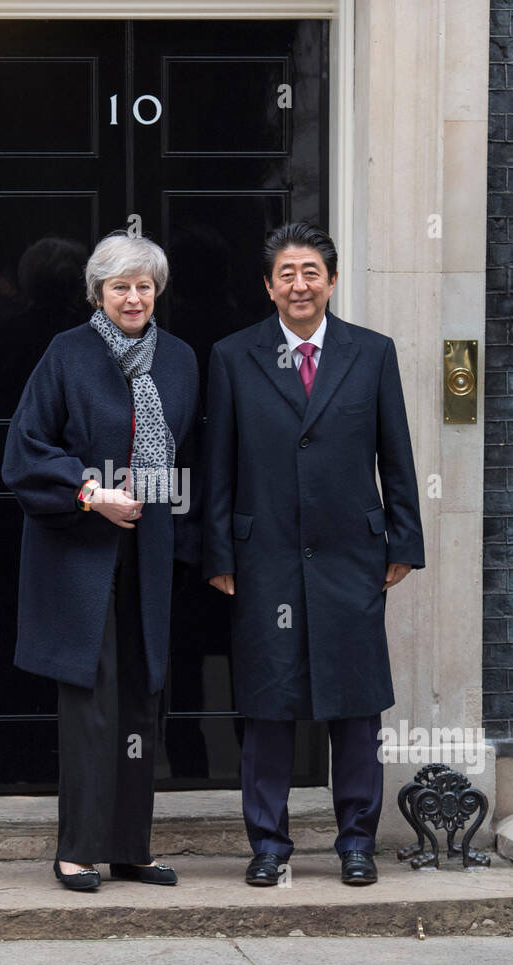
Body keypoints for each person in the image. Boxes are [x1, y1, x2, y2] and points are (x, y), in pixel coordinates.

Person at [202, 221, 425, 887]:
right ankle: (268, 843)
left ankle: (357, 840)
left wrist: (404, 538)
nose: (299, 284)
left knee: (355, 707)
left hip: (352, 557)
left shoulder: (372, 352)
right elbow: (217, 466)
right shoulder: (232, 356)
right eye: (286, 273)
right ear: (269, 286)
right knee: (267, 707)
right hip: (262, 555)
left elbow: (397, 453)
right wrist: (218, 552)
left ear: (331, 281)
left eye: (311, 272)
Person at [1, 232, 200, 891]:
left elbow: (184, 457)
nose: (134, 297)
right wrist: (92, 494)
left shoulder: (179, 360)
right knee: (90, 703)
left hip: (150, 550)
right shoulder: (68, 355)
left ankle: (129, 847)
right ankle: (76, 849)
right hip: (81, 552)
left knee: (143, 696)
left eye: (144, 286)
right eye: (121, 287)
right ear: (98, 294)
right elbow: (24, 451)